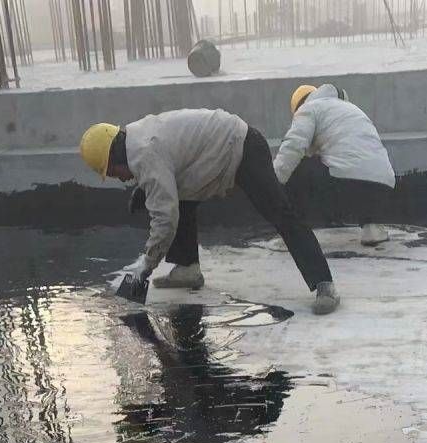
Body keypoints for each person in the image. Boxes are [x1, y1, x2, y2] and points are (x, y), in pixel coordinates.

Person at [79, 111, 340, 315]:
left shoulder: (146, 153)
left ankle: (324, 284)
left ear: (114, 158)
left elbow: (165, 218)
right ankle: (187, 268)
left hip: (242, 147)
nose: (120, 179)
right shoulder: (137, 138)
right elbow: (167, 168)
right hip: (216, 150)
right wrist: (144, 189)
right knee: (176, 198)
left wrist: (146, 265)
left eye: (112, 173)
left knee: (281, 214)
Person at [274, 84, 396, 246]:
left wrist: (273, 183)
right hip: (384, 187)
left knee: (296, 165)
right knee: (355, 167)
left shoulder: (308, 109)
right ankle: (372, 228)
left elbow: (293, 147)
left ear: (298, 107)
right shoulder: (352, 110)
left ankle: (292, 231)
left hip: (344, 186)